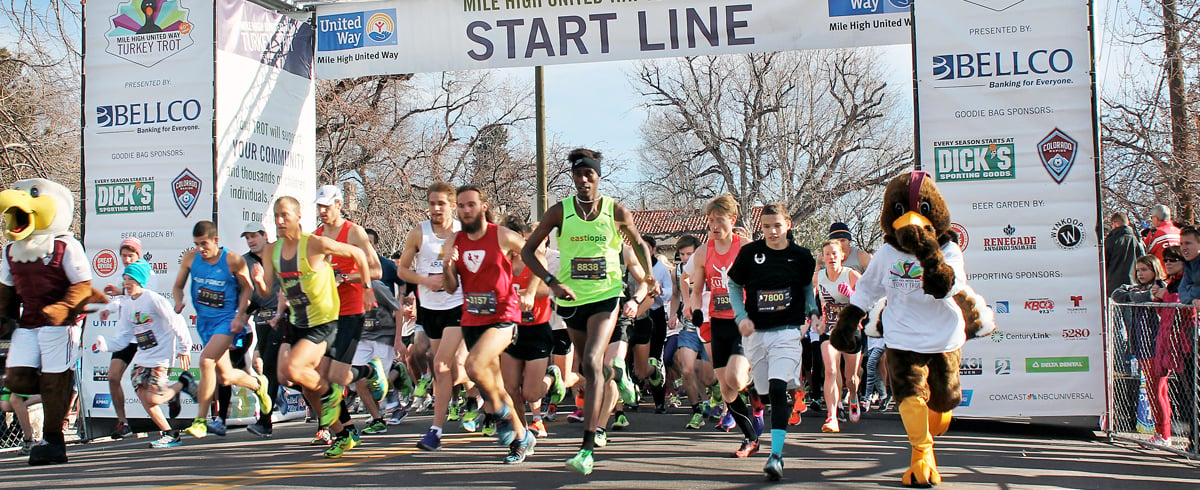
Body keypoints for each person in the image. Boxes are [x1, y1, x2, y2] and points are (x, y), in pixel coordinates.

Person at [521, 148, 656, 475]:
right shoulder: (559, 212)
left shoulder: (615, 211)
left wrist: (648, 277)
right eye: (579, 175)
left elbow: (638, 244)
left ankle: (587, 445)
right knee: (586, 366)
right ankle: (613, 377)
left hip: (606, 296)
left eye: (589, 175)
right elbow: (528, 251)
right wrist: (551, 282)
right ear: (573, 177)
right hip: (570, 301)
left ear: (598, 177)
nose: (583, 180)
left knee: (593, 361)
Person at [442, 185, 539, 463]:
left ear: (483, 206)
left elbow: (537, 257)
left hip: (503, 316)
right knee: (493, 386)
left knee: (473, 366)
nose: (465, 210)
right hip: (473, 318)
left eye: (470, 204)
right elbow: (450, 288)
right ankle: (522, 437)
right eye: (460, 206)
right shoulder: (454, 241)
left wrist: (530, 291)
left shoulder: (503, 235)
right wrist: (448, 267)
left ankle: (500, 416)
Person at [726, 204, 818, 481]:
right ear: (761, 228)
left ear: (788, 224)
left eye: (777, 226)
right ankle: (759, 403)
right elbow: (733, 285)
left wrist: (813, 312)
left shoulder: (801, 256)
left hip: (788, 331)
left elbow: (805, 289)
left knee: (778, 389)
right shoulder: (750, 253)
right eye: (767, 227)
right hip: (756, 334)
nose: (772, 232)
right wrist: (740, 316)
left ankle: (775, 456)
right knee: (764, 391)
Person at [172, 221, 271, 439]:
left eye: (205, 244)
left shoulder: (232, 260)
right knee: (225, 377)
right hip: (205, 324)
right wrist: (178, 301)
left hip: (227, 322)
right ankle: (258, 384)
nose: (201, 249)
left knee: (206, 360)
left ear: (215, 241)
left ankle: (200, 420)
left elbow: (247, 287)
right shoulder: (191, 258)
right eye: (197, 244)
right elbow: (178, 286)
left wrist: (239, 315)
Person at [397, 183, 470, 451]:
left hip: (459, 305)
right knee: (446, 371)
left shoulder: (464, 233)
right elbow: (403, 271)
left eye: (441, 203)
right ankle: (476, 393)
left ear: (453, 205)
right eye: (431, 203)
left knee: (441, 366)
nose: (435, 208)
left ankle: (435, 430)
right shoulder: (419, 232)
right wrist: (425, 281)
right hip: (430, 308)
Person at [312, 184, 384, 455]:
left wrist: (345, 278)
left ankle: (368, 371)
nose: (322, 211)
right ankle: (347, 430)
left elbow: (375, 270)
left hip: (351, 308)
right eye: (319, 207)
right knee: (321, 375)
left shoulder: (353, 232)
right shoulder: (317, 235)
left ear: (339, 205)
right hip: (325, 311)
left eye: (326, 207)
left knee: (334, 376)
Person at [687, 194, 760, 456]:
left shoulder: (747, 247)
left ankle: (755, 383)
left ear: (732, 219)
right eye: (710, 221)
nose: (714, 226)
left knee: (736, 378)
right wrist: (696, 310)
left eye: (719, 221)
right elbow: (696, 289)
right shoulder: (703, 252)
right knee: (726, 389)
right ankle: (750, 438)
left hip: (743, 323)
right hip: (718, 322)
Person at [93, 261, 194, 448]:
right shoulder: (127, 305)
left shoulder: (154, 300)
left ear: (140, 281)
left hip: (161, 356)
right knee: (142, 394)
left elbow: (176, 321)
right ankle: (170, 433)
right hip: (142, 357)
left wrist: (184, 348)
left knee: (153, 398)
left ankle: (182, 385)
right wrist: (105, 344)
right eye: (124, 280)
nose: (126, 284)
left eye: (130, 280)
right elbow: (124, 338)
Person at [499, 216, 565, 440]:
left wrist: (527, 293)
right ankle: (523, 434)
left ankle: (552, 378)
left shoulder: (534, 257)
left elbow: (548, 285)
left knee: (531, 392)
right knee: (510, 389)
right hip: (510, 330)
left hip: (537, 328)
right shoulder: (500, 262)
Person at [98, 237, 158, 439]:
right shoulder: (122, 275)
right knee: (113, 376)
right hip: (126, 338)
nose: (126, 259)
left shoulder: (147, 272)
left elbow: (146, 294)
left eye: (130, 255)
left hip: (145, 337)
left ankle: (161, 422)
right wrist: (108, 308)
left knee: (146, 384)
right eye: (123, 256)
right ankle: (122, 422)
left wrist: (121, 290)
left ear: (138, 255)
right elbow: (120, 301)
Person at [241, 223, 287, 438]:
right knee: (270, 370)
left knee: (274, 370)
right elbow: (248, 294)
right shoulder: (245, 262)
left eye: (254, 236)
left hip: (285, 316)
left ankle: (265, 421)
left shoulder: (277, 254)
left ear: (264, 236)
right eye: (247, 237)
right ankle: (268, 416)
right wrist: (241, 317)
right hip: (262, 319)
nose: (250, 241)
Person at [814, 239, 864, 433]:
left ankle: (852, 396)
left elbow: (866, 305)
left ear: (842, 256)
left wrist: (852, 296)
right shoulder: (818, 277)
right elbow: (809, 300)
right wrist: (813, 317)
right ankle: (832, 416)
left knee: (851, 377)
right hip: (829, 330)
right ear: (823, 257)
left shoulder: (851, 275)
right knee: (831, 370)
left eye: (834, 254)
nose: (831, 257)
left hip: (851, 330)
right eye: (827, 254)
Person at [1148, 246, 1194, 448]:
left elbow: (1183, 309)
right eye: (1166, 260)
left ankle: (1191, 440)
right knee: (1187, 394)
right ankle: (1192, 440)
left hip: (1187, 343)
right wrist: (1159, 297)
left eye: (1173, 259)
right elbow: (1165, 313)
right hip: (1170, 344)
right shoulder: (1171, 282)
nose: (1168, 263)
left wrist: (1166, 295)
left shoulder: (1189, 281)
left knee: (1192, 394)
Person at [629, 235, 672, 413]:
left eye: (646, 248)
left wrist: (656, 294)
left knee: (655, 356)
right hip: (632, 315)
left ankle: (659, 401)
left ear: (653, 250)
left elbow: (668, 292)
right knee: (629, 359)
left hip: (655, 313)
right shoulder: (631, 265)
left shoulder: (660, 268)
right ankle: (632, 399)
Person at [357, 279, 401, 435]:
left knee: (378, 382)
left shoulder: (376, 286)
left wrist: (398, 340)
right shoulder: (342, 285)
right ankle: (377, 419)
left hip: (383, 336)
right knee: (359, 379)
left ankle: (397, 372)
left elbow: (398, 308)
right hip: (361, 337)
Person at [1106, 213, 1147, 296]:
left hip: (1113, 285)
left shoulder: (1111, 241)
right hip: (1133, 285)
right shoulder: (1137, 241)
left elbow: (1104, 262)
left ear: (1115, 223)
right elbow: (1143, 260)